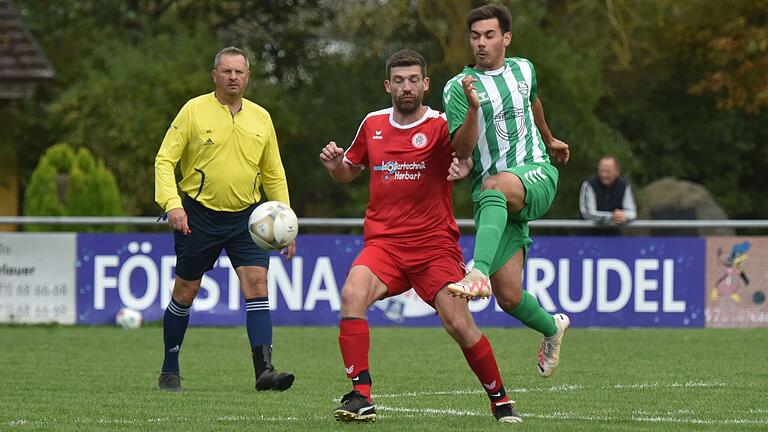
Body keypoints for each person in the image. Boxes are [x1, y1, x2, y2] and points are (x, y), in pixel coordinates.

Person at [319, 49, 522, 423]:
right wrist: (336, 167)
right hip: (384, 245)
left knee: (459, 324)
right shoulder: (372, 123)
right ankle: (360, 395)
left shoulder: (441, 124)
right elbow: (349, 170)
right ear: (387, 85)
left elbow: (463, 154)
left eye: (413, 80)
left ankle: (500, 400)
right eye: (399, 80)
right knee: (351, 294)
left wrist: (473, 116)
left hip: (433, 247)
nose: (406, 87)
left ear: (426, 84)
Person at [154, 46, 296, 392]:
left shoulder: (261, 117)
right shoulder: (193, 111)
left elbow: (273, 171)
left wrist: (285, 223)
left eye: (239, 72)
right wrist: (173, 204)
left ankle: (264, 372)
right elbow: (164, 160)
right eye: (227, 71)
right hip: (198, 216)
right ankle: (170, 367)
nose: (233, 77)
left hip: (248, 219)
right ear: (214, 75)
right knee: (186, 290)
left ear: (247, 76)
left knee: (257, 285)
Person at [442, 3, 570, 379]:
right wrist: (473, 110)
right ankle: (552, 328)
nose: (481, 43)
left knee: (493, 184)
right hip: (495, 199)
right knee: (510, 296)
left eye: (489, 35)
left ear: (506, 38)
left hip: (536, 175)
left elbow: (532, 103)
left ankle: (476, 271)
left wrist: (549, 140)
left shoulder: (524, 68)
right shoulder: (457, 88)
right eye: (475, 36)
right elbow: (461, 152)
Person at [579, 155, 637, 235]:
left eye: (608, 172)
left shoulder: (624, 186)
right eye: (602, 171)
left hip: (613, 237)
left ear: (617, 172)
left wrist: (623, 216)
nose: (604, 175)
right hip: (588, 236)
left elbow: (632, 212)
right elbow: (588, 213)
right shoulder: (589, 185)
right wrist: (611, 217)